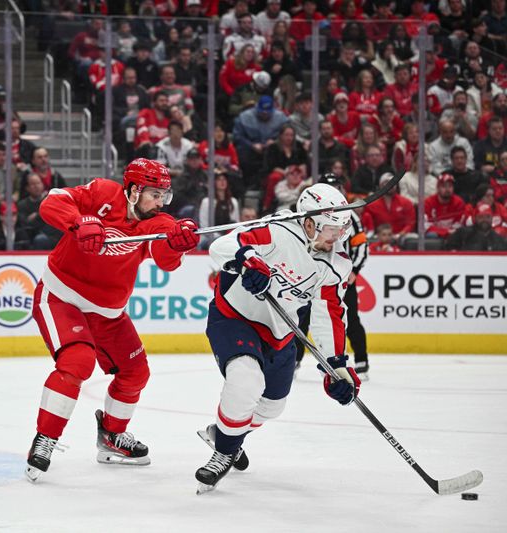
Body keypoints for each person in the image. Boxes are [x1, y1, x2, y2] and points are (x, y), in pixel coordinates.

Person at [25, 158, 200, 482]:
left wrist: (177, 245)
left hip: (108, 314)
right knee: (78, 361)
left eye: (164, 195)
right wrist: (78, 224)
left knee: (135, 372)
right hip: (61, 297)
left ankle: (111, 437)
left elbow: (166, 261)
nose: (160, 202)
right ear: (133, 190)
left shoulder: (157, 222)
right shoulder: (102, 193)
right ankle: (46, 438)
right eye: (154, 194)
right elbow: (52, 202)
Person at [195, 182, 360, 493]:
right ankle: (224, 453)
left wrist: (335, 367)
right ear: (309, 222)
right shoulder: (277, 229)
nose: (337, 238)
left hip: (280, 333)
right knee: (246, 380)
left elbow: (329, 315)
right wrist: (248, 260)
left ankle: (224, 434)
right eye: (331, 230)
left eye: (341, 230)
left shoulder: (336, 265)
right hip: (235, 317)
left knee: (272, 406)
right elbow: (223, 246)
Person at [296, 173, 370, 379]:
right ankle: (294, 360)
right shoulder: (309, 216)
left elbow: (361, 245)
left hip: (341, 275)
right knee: (301, 319)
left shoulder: (350, 216)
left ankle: (361, 360)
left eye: (338, 186)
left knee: (349, 317)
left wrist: (354, 270)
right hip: (312, 275)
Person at [424, 173, 467, 240]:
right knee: (431, 235)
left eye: (450, 186)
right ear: (438, 188)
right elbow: (426, 225)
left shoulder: (459, 202)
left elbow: (459, 224)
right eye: (443, 186)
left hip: (453, 234)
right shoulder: (428, 202)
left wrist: (449, 232)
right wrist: (445, 232)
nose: (447, 189)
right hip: (435, 234)